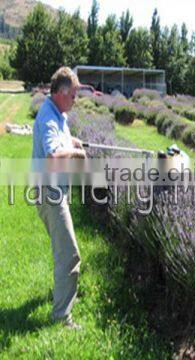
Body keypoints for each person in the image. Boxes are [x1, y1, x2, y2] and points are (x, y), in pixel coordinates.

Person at [32, 67, 86, 329]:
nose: (75, 101)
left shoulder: (57, 113)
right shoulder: (49, 117)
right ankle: (62, 317)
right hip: (50, 193)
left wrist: (72, 140)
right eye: (74, 96)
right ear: (62, 93)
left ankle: (62, 291)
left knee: (62, 248)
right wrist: (76, 155)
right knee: (70, 255)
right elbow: (53, 155)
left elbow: (59, 141)